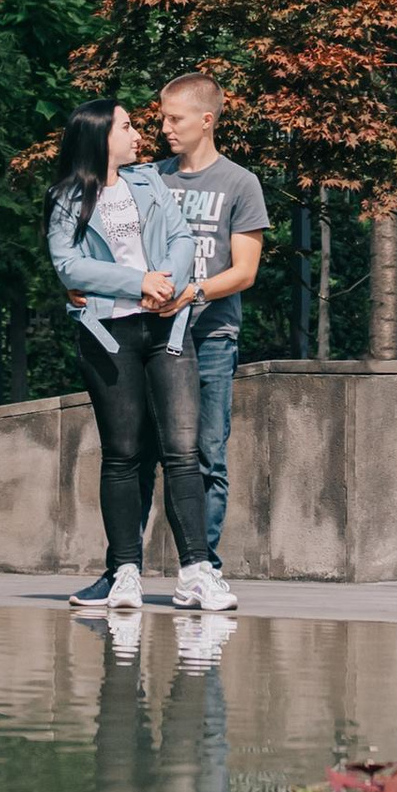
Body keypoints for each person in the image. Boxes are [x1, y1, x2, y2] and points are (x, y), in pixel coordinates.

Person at [45, 98, 230, 618]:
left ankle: (197, 572)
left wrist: (165, 284)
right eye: (126, 127)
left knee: (182, 450)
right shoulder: (65, 198)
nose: (138, 135)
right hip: (108, 334)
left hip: (166, 327)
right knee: (123, 452)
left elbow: (181, 238)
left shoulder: (149, 184)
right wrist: (137, 281)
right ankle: (124, 571)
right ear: (100, 136)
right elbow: (68, 265)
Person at [156, 72, 268, 574]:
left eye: (174, 118)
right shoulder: (151, 179)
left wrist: (192, 293)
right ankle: (127, 568)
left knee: (208, 454)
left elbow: (244, 271)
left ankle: (203, 568)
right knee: (143, 454)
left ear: (206, 120)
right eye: (161, 117)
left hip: (212, 336)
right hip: (154, 334)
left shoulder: (240, 184)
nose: (164, 128)